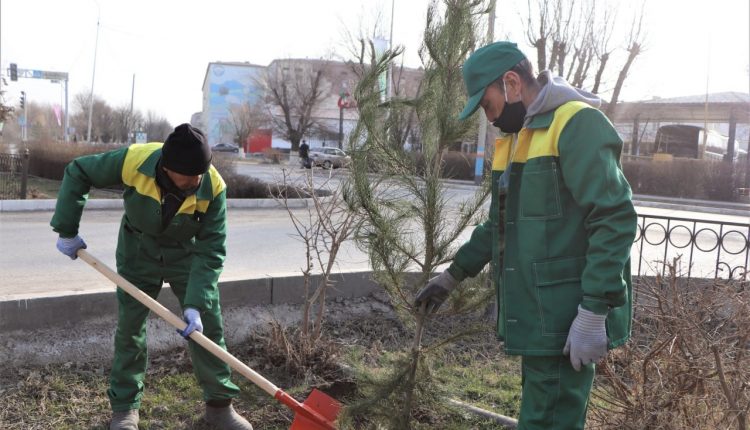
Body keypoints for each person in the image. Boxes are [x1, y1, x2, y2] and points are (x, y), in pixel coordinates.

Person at [415, 41, 637, 429]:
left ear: (512, 83)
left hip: (568, 320)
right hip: (542, 316)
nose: (490, 118)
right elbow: (499, 225)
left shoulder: (576, 124)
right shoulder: (516, 138)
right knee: (544, 415)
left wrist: (593, 310)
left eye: (487, 105)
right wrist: (454, 275)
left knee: (548, 420)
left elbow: (614, 218)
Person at [51, 124, 253, 430]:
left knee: (208, 327)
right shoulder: (135, 160)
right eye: (188, 178)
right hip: (138, 252)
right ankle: (124, 409)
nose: (195, 182)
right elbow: (79, 171)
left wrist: (196, 303)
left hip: (186, 256)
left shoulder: (213, 187)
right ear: (166, 167)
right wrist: (67, 229)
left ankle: (219, 407)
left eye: (200, 174)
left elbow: (212, 251)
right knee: (130, 328)